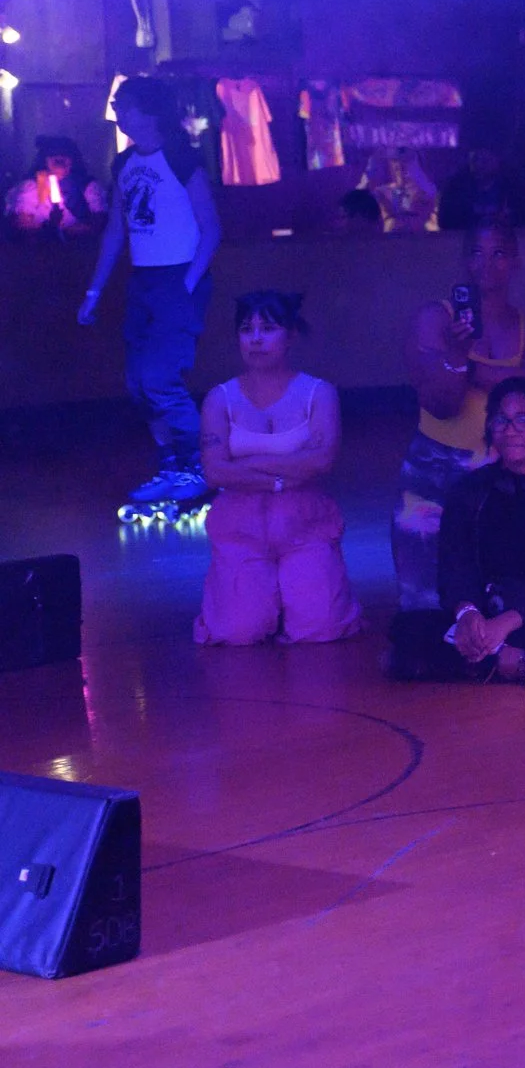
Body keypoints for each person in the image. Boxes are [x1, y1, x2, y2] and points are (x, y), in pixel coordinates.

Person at [387, 377, 525, 688]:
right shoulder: (469, 491)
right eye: (501, 419)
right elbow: (455, 565)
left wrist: (506, 623)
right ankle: (512, 662)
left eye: (523, 420)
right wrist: (467, 614)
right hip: (488, 609)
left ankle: (470, 661)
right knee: (406, 627)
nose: (510, 429)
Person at [76, 75, 223, 510]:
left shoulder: (181, 157)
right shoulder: (123, 165)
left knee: (161, 379)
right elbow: (116, 231)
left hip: (177, 277)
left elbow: (210, 226)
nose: (118, 112)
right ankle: (170, 465)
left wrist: (189, 281)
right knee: (139, 383)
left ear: (150, 112)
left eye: (124, 105)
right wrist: (94, 291)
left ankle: (200, 466)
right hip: (144, 281)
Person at [394, 221, 525, 611]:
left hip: (504, 467)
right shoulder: (434, 317)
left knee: (499, 591)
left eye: (499, 252)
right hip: (433, 467)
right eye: (477, 253)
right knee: (422, 603)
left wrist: (459, 362)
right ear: (465, 261)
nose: (488, 263)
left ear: (514, 262)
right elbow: (442, 404)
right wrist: (485, 368)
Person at [194, 291, 360, 647]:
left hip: (305, 523)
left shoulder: (319, 393)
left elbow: (321, 461)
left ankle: (295, 597)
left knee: (321, 628)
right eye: (246, 329)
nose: (255, 339)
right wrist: (288, 471)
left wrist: (247, 466)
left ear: (290, 337)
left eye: (268, 328)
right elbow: (215, 471)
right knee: (237, 632)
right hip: (240, 526)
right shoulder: (219, 398)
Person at [8, 137, 105, 238]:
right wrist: (49, 227)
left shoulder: (87, 186)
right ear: (45, 160)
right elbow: (22, 225)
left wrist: (72, 232)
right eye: (54, 158)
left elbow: (99, 224)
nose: (59, 161)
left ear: (73, 160)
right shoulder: (31, 187)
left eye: (64, 156)